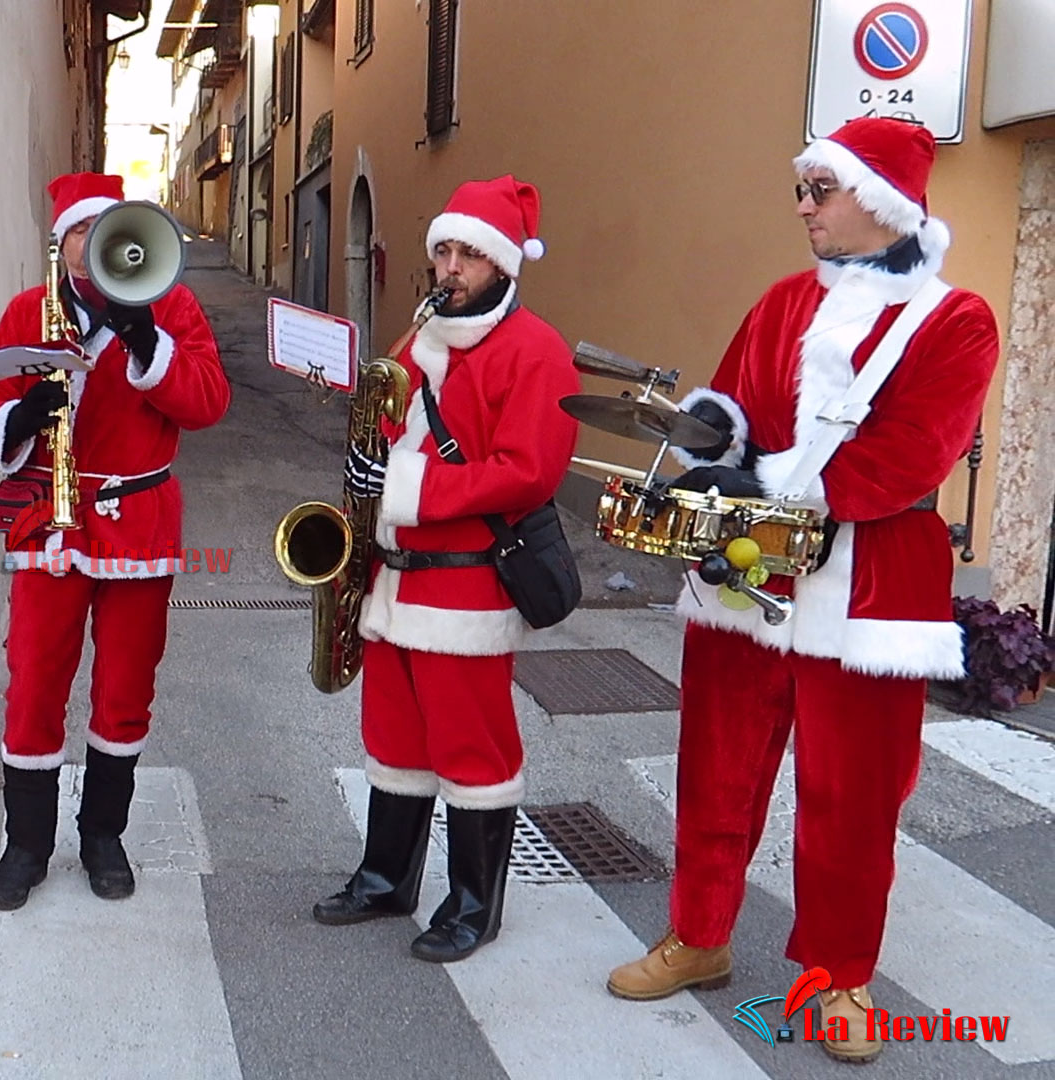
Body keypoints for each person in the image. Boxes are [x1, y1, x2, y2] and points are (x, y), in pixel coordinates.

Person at [604, 117, 999, 1064]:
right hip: (746, 580)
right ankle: (699, 936)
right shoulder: (783, 301)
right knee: (716, 771)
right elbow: (731, 403)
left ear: (882, 200)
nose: (803, 207)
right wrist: (703, 454)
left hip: (867, 594)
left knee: (851, 801)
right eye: (803, 189)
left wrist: (771, 495)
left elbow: (912, 457)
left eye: (821, 189)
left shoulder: (959, 321)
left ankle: (838, 978)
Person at [317, 176, 579, 964]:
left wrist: (405, 486)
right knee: (393, 737)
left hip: (466, 581)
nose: (451, 269)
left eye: (469, 255)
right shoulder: (419, 340)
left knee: (473, 749)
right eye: (444, 253)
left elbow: (527, 473)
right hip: (394, 575)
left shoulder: (537, 351)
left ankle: (473, 905)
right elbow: (392, 428)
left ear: (502, 264)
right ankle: (387, 878)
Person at [0, 172, 230, 911]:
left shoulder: (172, 303)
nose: (93, 245)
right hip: (50, 521)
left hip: (139, 519)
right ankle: (25, 846)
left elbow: (209, 400)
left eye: (105, 229)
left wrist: (153, 348)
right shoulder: (30, 309)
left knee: (125, 687)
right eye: (80, 231)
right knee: (35, 684)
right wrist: (22, 417)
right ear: (62, 241)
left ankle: (103, 837)